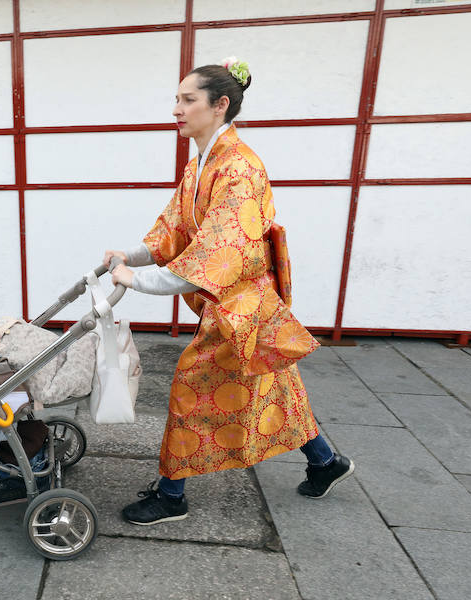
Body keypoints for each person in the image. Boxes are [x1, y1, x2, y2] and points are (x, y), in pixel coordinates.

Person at [103, 58, 354, 526]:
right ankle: (325, 463)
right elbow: (175, 226)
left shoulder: (237, 169)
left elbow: (217, 256)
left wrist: (137, 280)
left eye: (187, 99)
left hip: (237, 307)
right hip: (236, 304)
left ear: (219, 105)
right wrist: (131, 256)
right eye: (176, 99)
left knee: (188, 389)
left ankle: (172, 496)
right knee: (274, 386)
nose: (175, 109)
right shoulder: (204, 160)